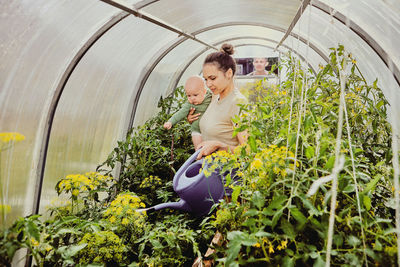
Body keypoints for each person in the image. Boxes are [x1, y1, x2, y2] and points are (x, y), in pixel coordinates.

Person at [186, 43, 248, 160]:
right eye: (206, 79)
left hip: (227, 174)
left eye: (213, 78)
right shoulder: (214, 97)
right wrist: (194, 120)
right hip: (209, 170)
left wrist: (219, 146)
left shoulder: (238, 103)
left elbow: (247, 151)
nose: (208, 84)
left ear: (229, 73)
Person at [163, 75, 212, 150]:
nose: (192, 98)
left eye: (195, 95)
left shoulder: (210, 97)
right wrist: (170, 122)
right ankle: (199, 158)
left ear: (204, 92)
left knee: (210, 149)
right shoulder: (189, 104)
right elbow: (180, 113)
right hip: (197, 131)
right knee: (199, 150)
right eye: (189, 96)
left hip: (209, 130)